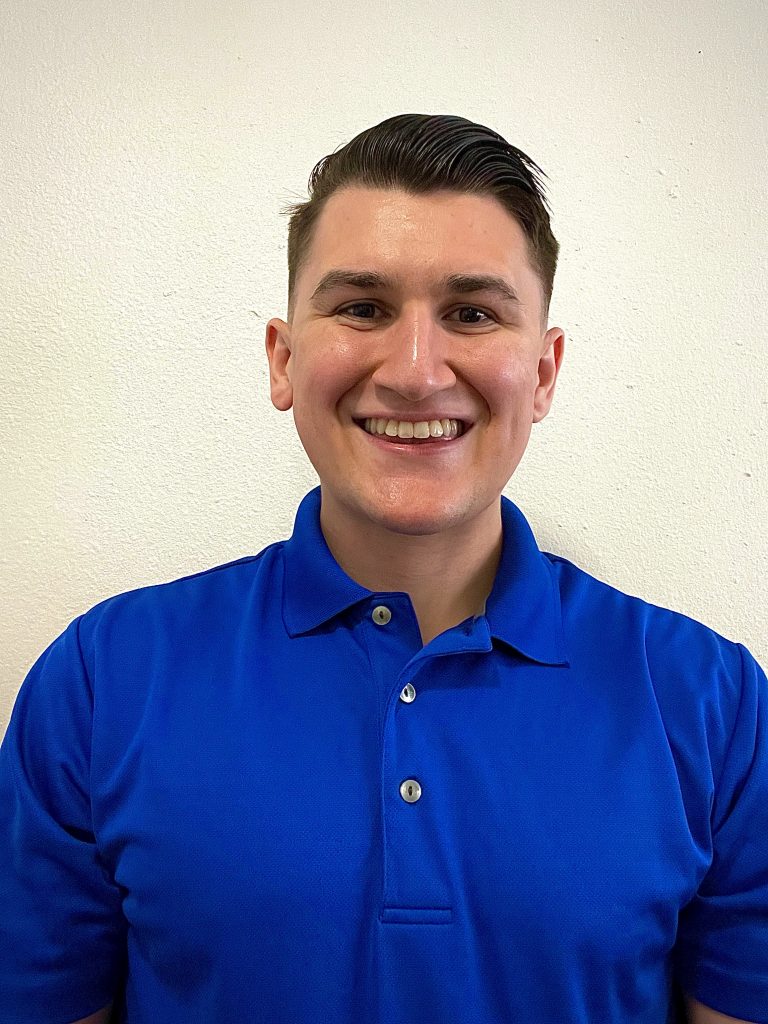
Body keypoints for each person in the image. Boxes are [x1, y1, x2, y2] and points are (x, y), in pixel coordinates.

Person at [0, 113, 766, 1024]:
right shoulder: (103, 680)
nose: (414, 371)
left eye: (472, 314)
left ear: (544, 373)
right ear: (283, 360)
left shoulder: (712, 703)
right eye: (363, 307)